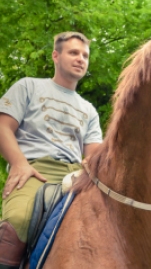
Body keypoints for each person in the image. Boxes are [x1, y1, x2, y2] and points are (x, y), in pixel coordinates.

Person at [0, 31, 103, 268]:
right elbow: (3, 127)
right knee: (18, 220)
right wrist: (18, 163)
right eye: (74, 53)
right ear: (56, 56)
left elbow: (95, 155)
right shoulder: (28, 86)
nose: (81, 59)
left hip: (77, 176)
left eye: (85, 55)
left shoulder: (89, 110)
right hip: (35, 170)